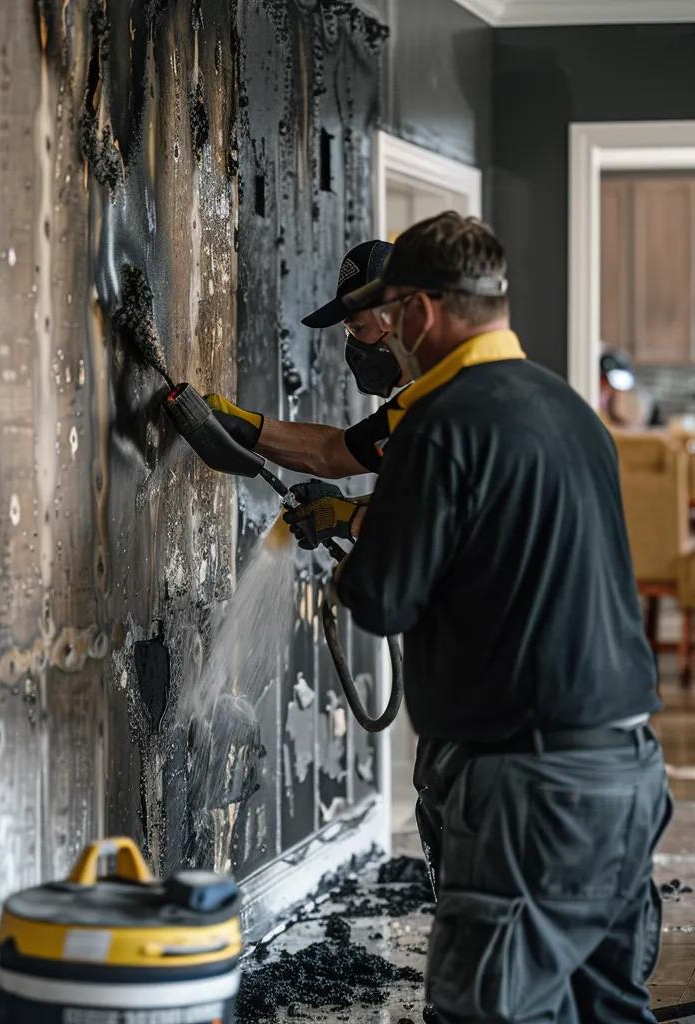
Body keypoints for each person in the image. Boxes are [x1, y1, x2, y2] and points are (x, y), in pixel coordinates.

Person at [287, 211, 670, 1023]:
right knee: (605, 1010)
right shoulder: (568, 410)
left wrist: (353, 555)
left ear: (422, 312)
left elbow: (383, 598)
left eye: (393, 320)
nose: (388, 341)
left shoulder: (438, 417)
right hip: (628, 772)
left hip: (527, 789)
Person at [205, 239, 407, 492]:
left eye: (357, 328)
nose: (355, 346)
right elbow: (330, 452)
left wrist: (352, 517)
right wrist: (243, 425)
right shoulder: (416, 406)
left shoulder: (453, 396)